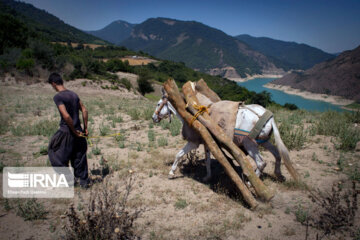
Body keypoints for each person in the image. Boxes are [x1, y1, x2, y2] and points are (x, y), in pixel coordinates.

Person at [47, 72, 89, 188]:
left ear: (54, 83)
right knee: (79, 157)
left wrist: (74, 131)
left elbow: (66, 116)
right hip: (80, 131)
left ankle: (69, 180)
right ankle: (84, 182)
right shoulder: (74, 95)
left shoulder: (58, 97)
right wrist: (85, 128)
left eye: (52, 85)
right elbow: (84, 110)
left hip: (67, 131)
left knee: (53, 152)